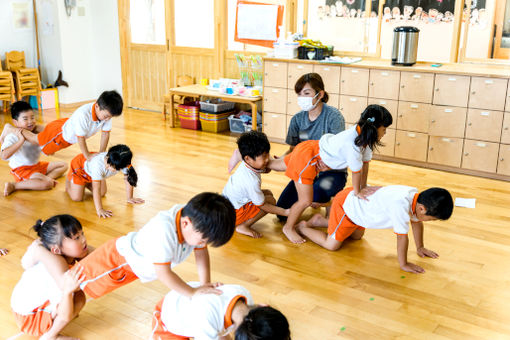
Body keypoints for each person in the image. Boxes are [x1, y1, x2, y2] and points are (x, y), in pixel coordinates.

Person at [268, 104, 393, 243]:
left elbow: (365, 163)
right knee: (305, 200)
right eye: (384, 129)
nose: (385, 133)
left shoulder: (364, 138)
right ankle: (288, 228)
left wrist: (363, 187)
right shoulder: (353, 144)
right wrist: (358, 192)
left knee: (272, 165)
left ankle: (256, 160)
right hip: (308, 158)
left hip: (311, 151)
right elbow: (356, 172)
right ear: (374, 129)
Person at [77, 192, 236, 300]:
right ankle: (52, 322)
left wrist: (205, 285)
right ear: (186, 223)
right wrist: (192, 292)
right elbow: (164, 274)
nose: (203, 245)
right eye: (203, 240)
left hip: (134, 268)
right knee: (78, 287)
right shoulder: (164, 231)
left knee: (81, 294)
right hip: (116, 263)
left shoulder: (194, 219)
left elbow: (201, 253)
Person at [296, 186, 454, 273]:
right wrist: (403, 264)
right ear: (421, 208)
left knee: (356, 237)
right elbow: (401, 237)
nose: (430, 221)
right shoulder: (400, 206)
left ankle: (321, 221)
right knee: (332, 245)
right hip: (347, 208)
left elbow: (417, 222)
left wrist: (420, 247)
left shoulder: (415, 197)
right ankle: (304, 227)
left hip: (361, 211)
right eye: (432, 219)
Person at [276, 73, 347, 221]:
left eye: (307, 93)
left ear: (320, 94)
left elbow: (341, 152)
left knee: (316, 196)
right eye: (299, 94)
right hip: (305, 171)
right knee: (281, 211)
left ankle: (331, 202)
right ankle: (313, 198)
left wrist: (327, 166)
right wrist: (281, 160)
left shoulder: (334, 117)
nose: (302, 98)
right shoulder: (297, 119)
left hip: (331, 171)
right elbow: (293, 149)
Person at [11, 215, 91, 339]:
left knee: (74, 294)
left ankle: (54, 317)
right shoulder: (58, 272)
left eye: (82, 234)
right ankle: (50, 336)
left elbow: (94, 255)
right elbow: (65, 315)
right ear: (56, 250)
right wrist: (68, 293)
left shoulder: (56, 253)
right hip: (29, 319)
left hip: (22, 308)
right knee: (79, 298)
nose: (84, 240)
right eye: (76, 238)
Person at [2, 90, 123, 158]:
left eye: (110, 117)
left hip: (64, 127)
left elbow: (105, 135)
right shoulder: (83, 115)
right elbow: (80, 139)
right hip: (61, 134)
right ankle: (11, 128)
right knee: (37, 141)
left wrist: (102, 153)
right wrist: (88, 156)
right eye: (107, 116)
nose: (108, 119)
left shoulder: (106, 113)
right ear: (97, 106)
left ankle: (40, 131)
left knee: (47, 136)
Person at [150, 282, 291, 340]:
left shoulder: (243, 293)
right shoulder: (206, 318)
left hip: (193, 306)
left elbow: (220, 329)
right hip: (168, 320)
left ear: (263, 306)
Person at [223, 131, 289, 238]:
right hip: (234, 214)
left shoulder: (248, 164)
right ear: (248, 159)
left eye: (267, 153)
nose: (268, 159)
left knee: (268, 193)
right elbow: (263, 205)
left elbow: (265, 170)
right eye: (263, 156)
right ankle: (243, 226)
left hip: (229, 206)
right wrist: (285, 212)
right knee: (270, 201)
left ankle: (244, 222)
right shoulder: (251, 181)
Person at [1, 101, 67, 196]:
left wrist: (50, 147)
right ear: (15, 122)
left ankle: (43, 178)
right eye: (25, 119)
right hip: (22, 170)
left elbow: (48, 152)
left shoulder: (35, 133)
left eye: (32, 117)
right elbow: (4, 156)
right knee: (47, 184)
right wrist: (21, 140)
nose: (30, 121)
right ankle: (14, 185)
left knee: (63, 165)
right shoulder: (12, 136)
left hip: (36, 166)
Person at [65, 144, 144, 218]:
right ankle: (69, 181)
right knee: (77, 198)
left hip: (95, 174)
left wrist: (130, 198)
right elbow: (96, 189)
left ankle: (84, 184)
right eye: (107, 161)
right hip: (79, 169)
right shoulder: (98, 165)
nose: (107, 167)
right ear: (108, 155)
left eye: (111, 166)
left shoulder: (124, 162)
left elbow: (128, 179)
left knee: (102, 193)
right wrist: (100, 209)